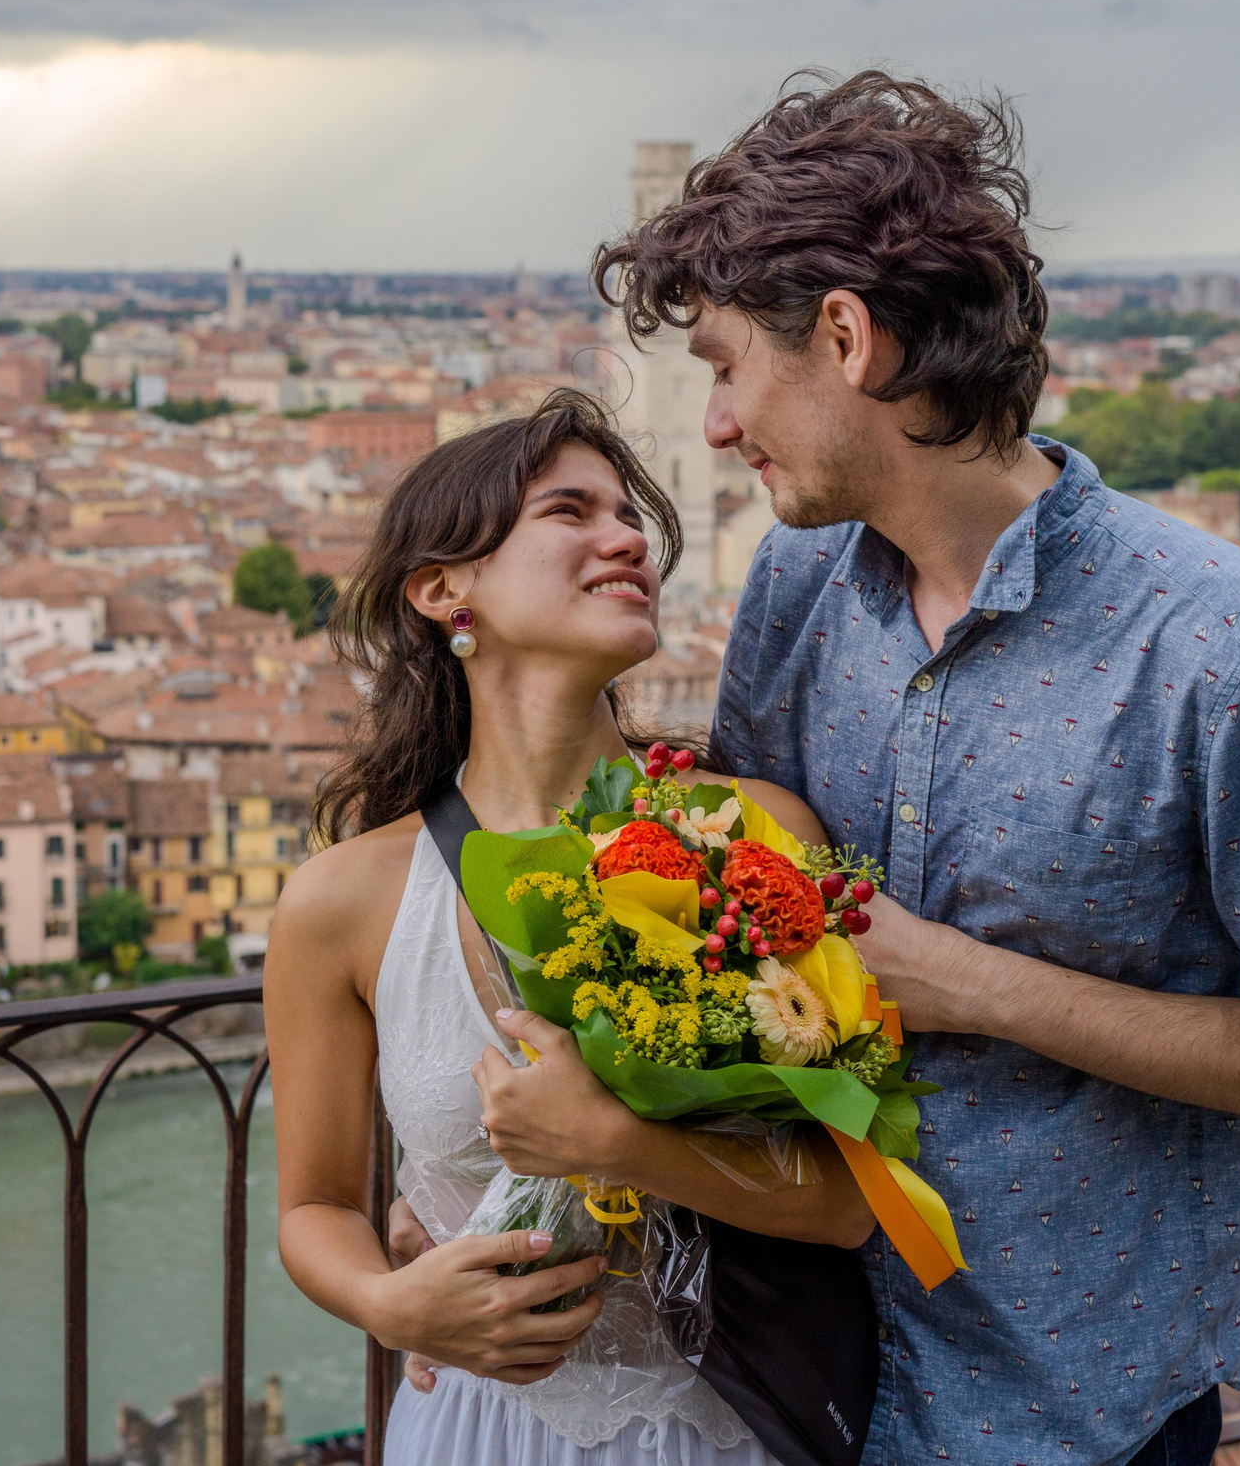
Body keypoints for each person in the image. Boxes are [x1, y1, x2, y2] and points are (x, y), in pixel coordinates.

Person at [594, 72, 1240, 1466]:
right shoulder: (796, 579)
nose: (719, 422)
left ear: (845, 338)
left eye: (730, 365)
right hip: (801, 1376)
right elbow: (734, 923)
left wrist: (961, 979)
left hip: (1076, 1404)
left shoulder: (1222, 647)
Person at [266, 389, 877, 1465]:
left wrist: (616, 1142)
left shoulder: (755, 836)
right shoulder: (340, 901)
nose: (627, 536)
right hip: (472, 1429)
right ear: (444, 589)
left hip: (722, 1429)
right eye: (570, 511)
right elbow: (314, 1204)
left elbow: (846, 1205)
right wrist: (389, 1301)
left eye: (630, 515)